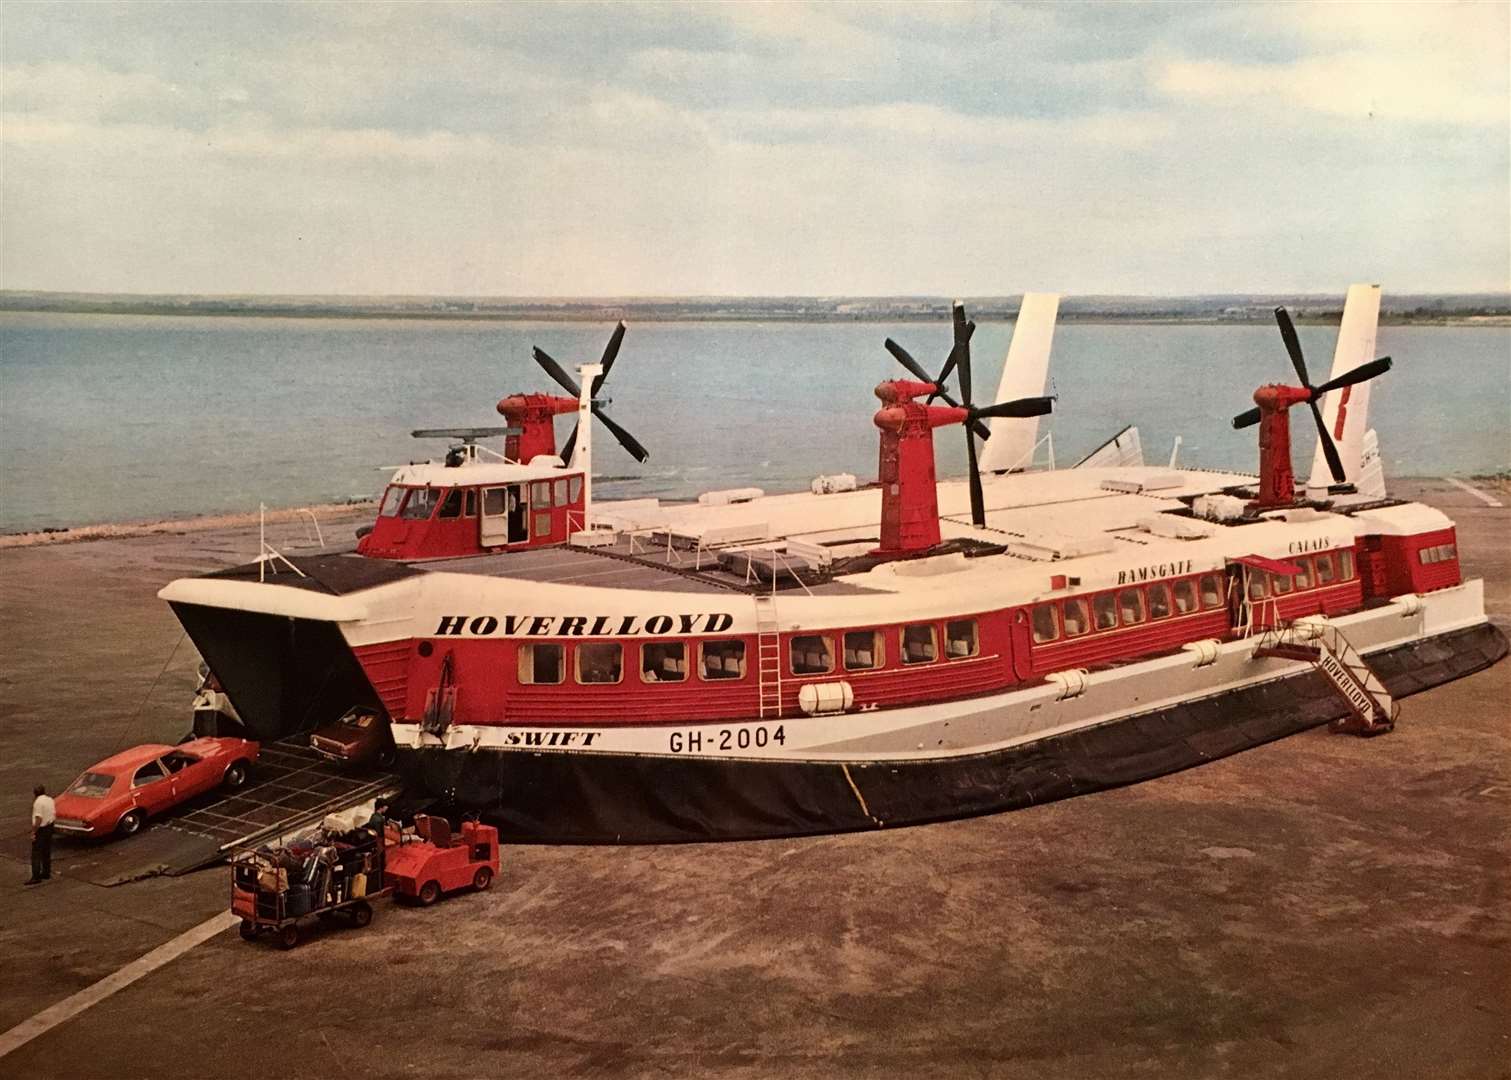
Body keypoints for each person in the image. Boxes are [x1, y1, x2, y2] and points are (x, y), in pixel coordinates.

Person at [27, 784, 55, 885]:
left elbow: (38, 819)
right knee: (46, 851)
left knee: (36, 853)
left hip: (42, 829)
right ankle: (46, 872)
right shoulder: (50, 799)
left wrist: (33, 831)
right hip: (50, 826)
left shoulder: (38, 803)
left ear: (35, 793)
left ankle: (36, 876)